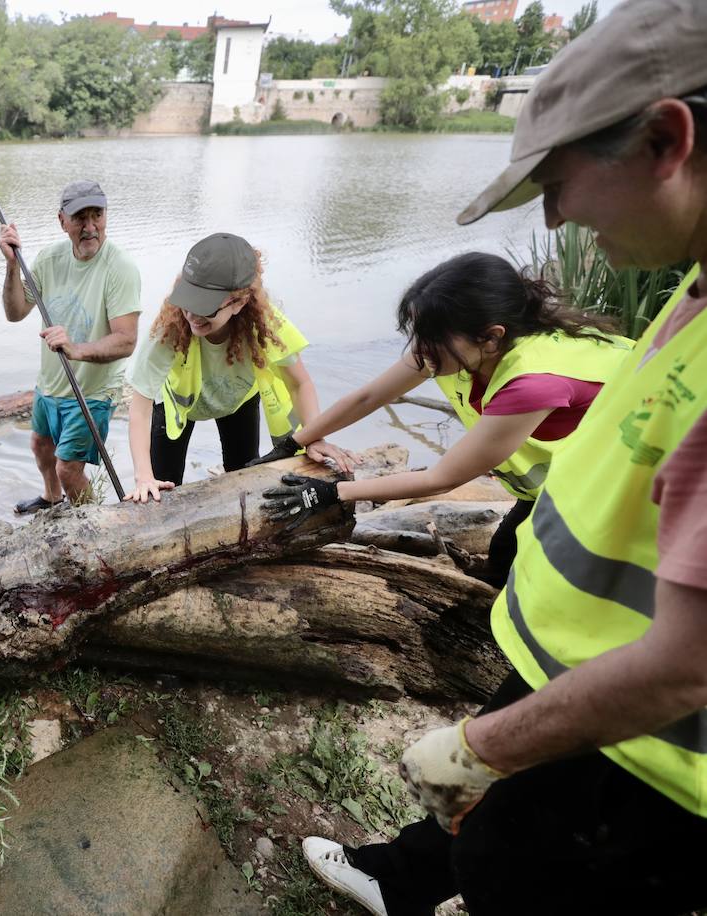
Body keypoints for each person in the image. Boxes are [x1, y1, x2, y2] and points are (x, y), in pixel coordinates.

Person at [296, 2, 707, 914]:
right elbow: (379, 389)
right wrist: (303, 442)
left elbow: (688, 663)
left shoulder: (531, 378)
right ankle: (404, 881)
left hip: (651, 749)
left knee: (517, 869)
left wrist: (487, 747)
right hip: (578, 664)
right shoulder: (690, 282)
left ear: (665, 141)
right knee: (485, 846)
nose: (555, 215)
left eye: (557, 181)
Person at [254, 251, 632, 586]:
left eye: (431, 338)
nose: (419, 350)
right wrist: (294, 442)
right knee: (504, 556)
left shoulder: (532, 382)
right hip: (552, 489)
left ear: (491, 337)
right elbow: (367, 397)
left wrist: (332, 493)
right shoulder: (456, 348)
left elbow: (444, 477)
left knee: (540, 584)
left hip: (617, 491)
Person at [125, 232, 352, 502]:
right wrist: (143, 476)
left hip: (238, 401)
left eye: (206, 308)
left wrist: (315, 436)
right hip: (178, 406)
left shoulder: (265, 327)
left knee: (245, 480)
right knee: (163, 486)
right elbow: (140, 406)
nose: (193, 315)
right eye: (188, 302)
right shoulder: (170, 328)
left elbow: (299, 383)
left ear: (240, 302)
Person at [0, 179, 140, 511]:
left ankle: (91, 525)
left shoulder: (120, 268)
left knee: (68, 468)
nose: (91, 227)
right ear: (62, 221)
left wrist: (76, 349)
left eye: (97, 215)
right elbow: (15, 312)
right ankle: (51, 500)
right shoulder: (50, 259)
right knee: (40, 445)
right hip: (51, 383)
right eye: (80, 218)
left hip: (92, 390)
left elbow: (126, 341)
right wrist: (11, 266)